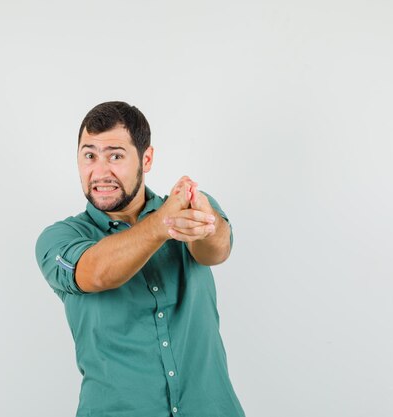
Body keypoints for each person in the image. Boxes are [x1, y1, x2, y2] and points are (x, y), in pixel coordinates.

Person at [35, 101, 246, 417]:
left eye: (116, 156)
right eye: (89, 156)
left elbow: (217, 250)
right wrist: (163, 225)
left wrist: (205, 223)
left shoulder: (184, 208)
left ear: (146, 159)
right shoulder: (59, 239)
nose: (100, 172)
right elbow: (96, 272)